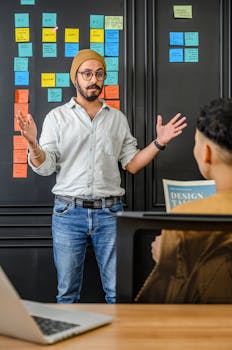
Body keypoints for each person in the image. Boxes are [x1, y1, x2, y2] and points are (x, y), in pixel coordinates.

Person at [17, 49, 187, 304]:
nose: (93, 79)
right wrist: (32, 144)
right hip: (67, 212)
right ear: (75, 78)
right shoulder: (57, 117)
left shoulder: (117, 119)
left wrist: (158, 143)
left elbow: (131, 164)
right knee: (67, 294)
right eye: (87, 73)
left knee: (117, 293)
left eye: (99, 74)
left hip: (110, 213)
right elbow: (46, 166)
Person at [136, 98, 232, 303]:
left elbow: (167, 298)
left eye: (197, 142)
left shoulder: (184, 218)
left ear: (206, 153)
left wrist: (168, 258)